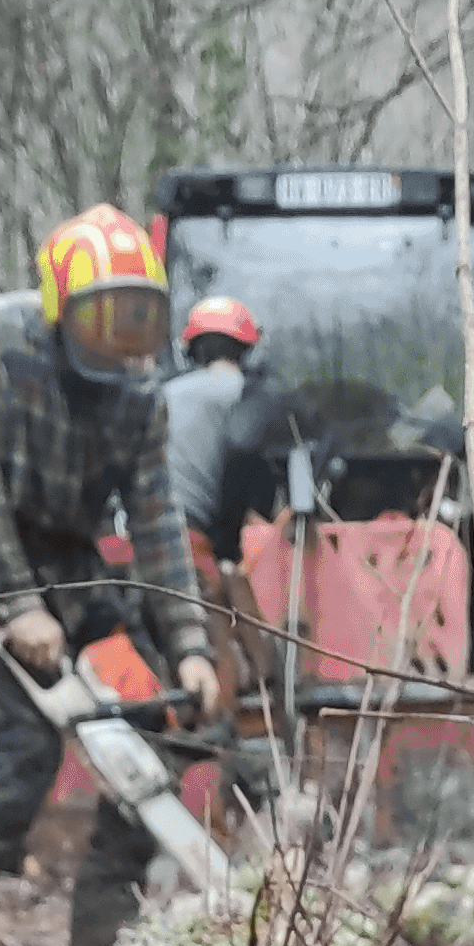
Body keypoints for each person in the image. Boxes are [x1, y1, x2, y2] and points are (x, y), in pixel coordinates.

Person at [0, 203, 222, 946]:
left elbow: (157, 521)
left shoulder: (141, 395)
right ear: (59, 307)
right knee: (31, 745)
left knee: (163, 721)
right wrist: (15, 605)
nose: (121, 338)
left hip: (75, 568)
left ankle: (101, 938)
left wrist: (191, 647)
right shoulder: (1, 341)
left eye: (139, 318)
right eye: (106, 316)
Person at [159, 291, 293, 752]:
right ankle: (218, 744)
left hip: (136, 535)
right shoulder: (250, 397)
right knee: (213, 636)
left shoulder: (163, 394)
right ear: (248, 349)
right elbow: (254, 487)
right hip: (185, 538)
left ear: (189, 349)